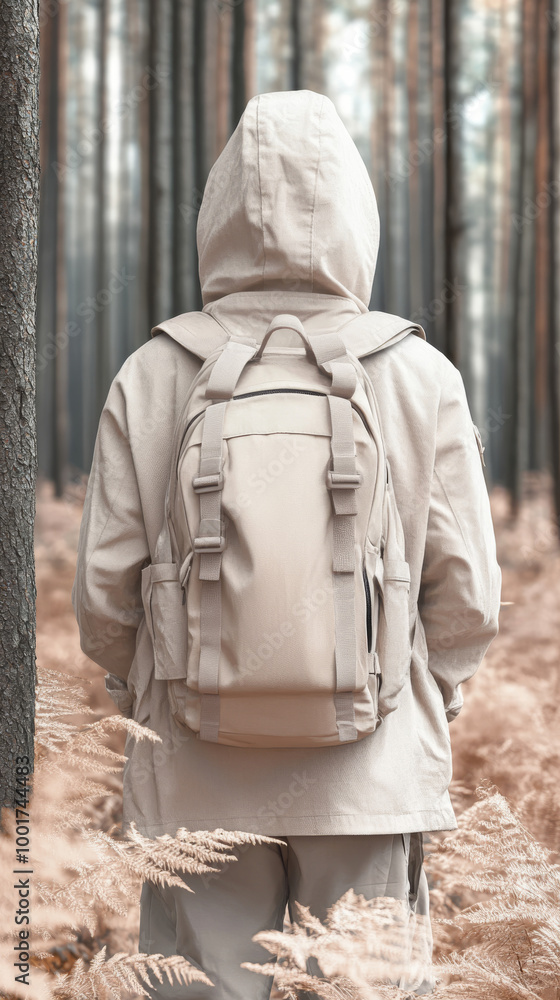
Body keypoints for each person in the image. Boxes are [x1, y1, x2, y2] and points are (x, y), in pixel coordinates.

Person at [71, 90, 502, 998]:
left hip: (195, 778)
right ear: (356, 214)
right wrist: (432, 693)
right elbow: (466, 596)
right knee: (357, 986)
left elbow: (106, 597)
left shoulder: (153, 370)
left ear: (216, 214)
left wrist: (148, 690)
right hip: (368, 774)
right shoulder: (420, 373)